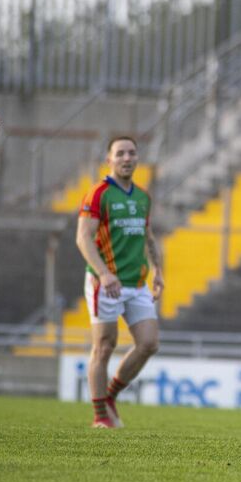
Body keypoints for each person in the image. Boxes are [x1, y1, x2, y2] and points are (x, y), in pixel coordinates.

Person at [75, 136, 164, 429]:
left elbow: (148, 238)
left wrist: (158, 272)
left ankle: (110, 396)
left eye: (132, 153)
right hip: (107, 283)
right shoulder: (99, 194)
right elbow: (83, 238)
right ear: (109, 159)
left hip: (136, 283)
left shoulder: (142, 196)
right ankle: (100, 416)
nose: (127, 158)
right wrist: (104, 274)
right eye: (120, 153)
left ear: (138, 158)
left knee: (149, 343)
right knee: (104, 346)